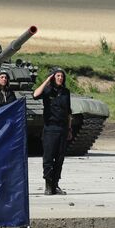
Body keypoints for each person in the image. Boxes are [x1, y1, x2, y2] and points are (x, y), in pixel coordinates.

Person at [33, 67, 73, 195]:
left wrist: (70, 129)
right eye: (57, 76)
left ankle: (56, 184)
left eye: (62, 76)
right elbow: (35, 95)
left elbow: (68, 112)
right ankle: (48, 185)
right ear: (53, 77)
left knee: (60, 158)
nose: (60, 78)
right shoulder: (47, 91)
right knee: (48, 158)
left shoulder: (66, 92)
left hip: (63, 128)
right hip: (50, 128)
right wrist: (47, 80)